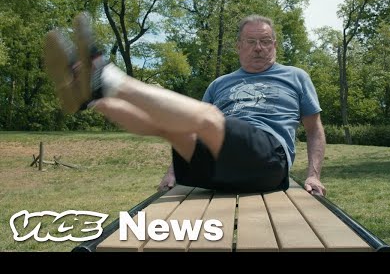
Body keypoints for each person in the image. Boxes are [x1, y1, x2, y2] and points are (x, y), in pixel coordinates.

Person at [44, 13, 326, 196]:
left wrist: (313, 175)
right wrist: (172, 173)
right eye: (251, 41)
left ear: (275, 45)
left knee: (208, 117)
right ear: (238, 46)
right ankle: (94, 99)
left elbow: (314, 129)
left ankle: (105, 78)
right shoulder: (220, 84)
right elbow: (181, 122)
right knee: (168, 126)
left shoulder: (295, 76)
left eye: (265, 41)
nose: (259, 47)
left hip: (268, 164)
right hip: (213, 173)